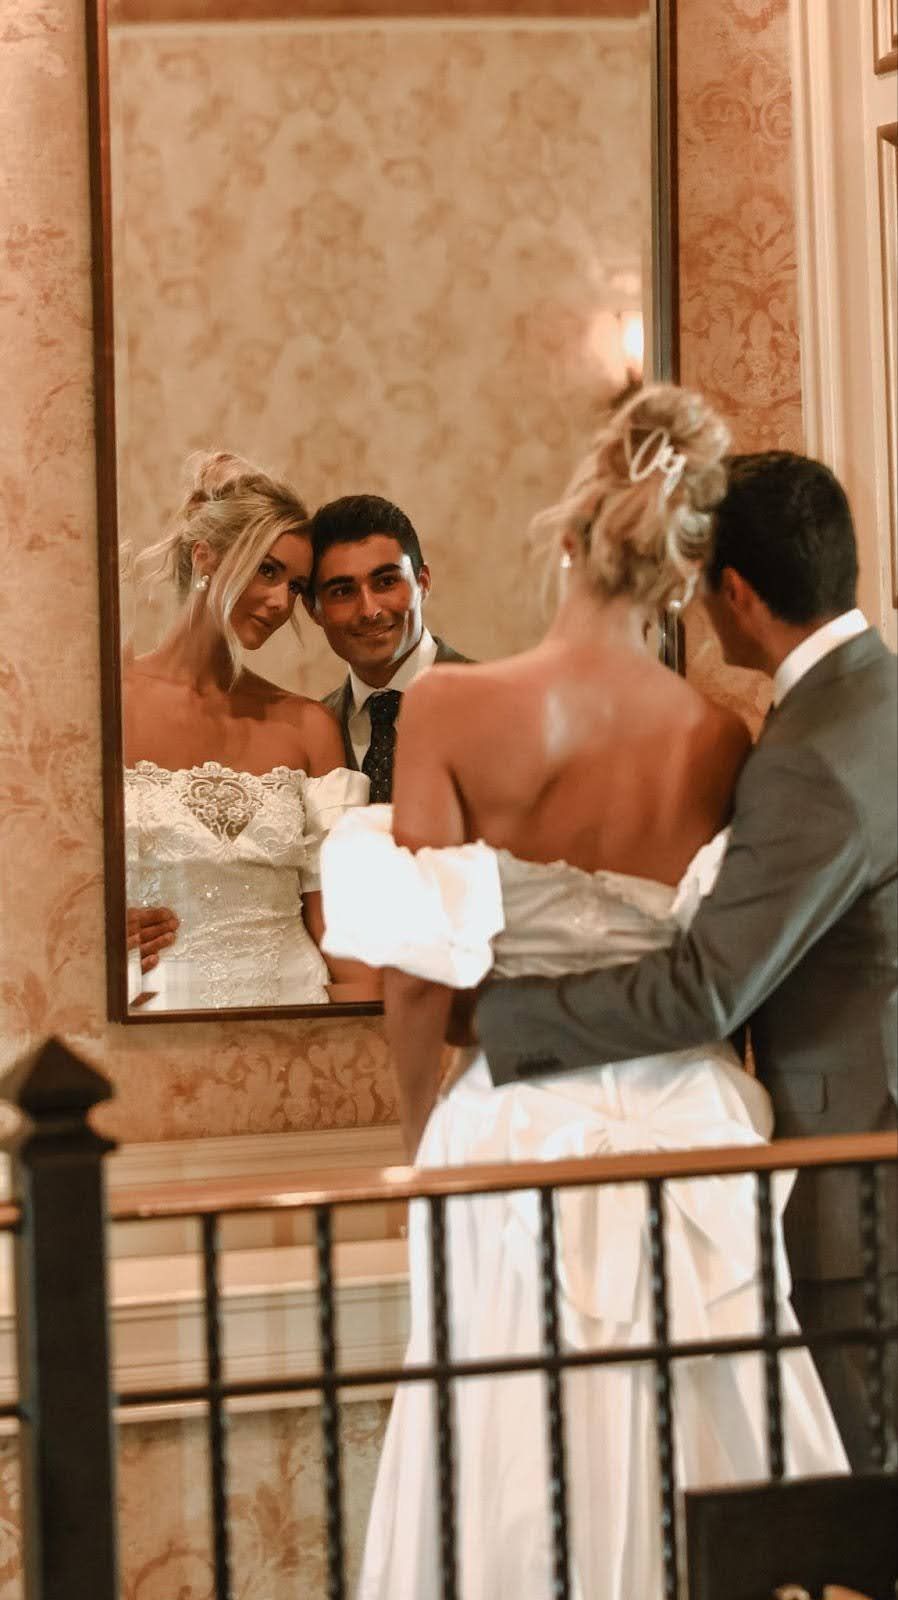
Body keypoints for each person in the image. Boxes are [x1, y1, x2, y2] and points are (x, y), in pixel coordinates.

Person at [321, 388, 847, 1599]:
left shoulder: (450, 705)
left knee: (511, 1439)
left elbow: (418, 975)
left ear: (565, 539)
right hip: (687, 1126)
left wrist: (419, 1144)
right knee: (699, 1424)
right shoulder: (719, 734)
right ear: (680, 582)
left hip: (515, 1125)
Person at [474, 450, 898, 1471]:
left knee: (865, 1494)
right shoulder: (872, 696)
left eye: (703, 585)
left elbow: (710, 984)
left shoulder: (810, 752)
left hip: (855, 1164)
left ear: (737, 592)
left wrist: (495, 1022)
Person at [123, 450, 369, 1009]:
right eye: (267, 570)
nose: (282, 602)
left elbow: (342, 928)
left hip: (298, 1015)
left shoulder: (309, 725)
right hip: (151, 1019)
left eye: (297, 585)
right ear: (205, 556)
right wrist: (85, 937)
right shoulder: (105, 707)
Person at [302, 494, 470, 800]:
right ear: (313, 609)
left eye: (385, 582)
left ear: (423, 583)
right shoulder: (313, 732)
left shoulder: (493, 698)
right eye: (343, 591)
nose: (369, 610)